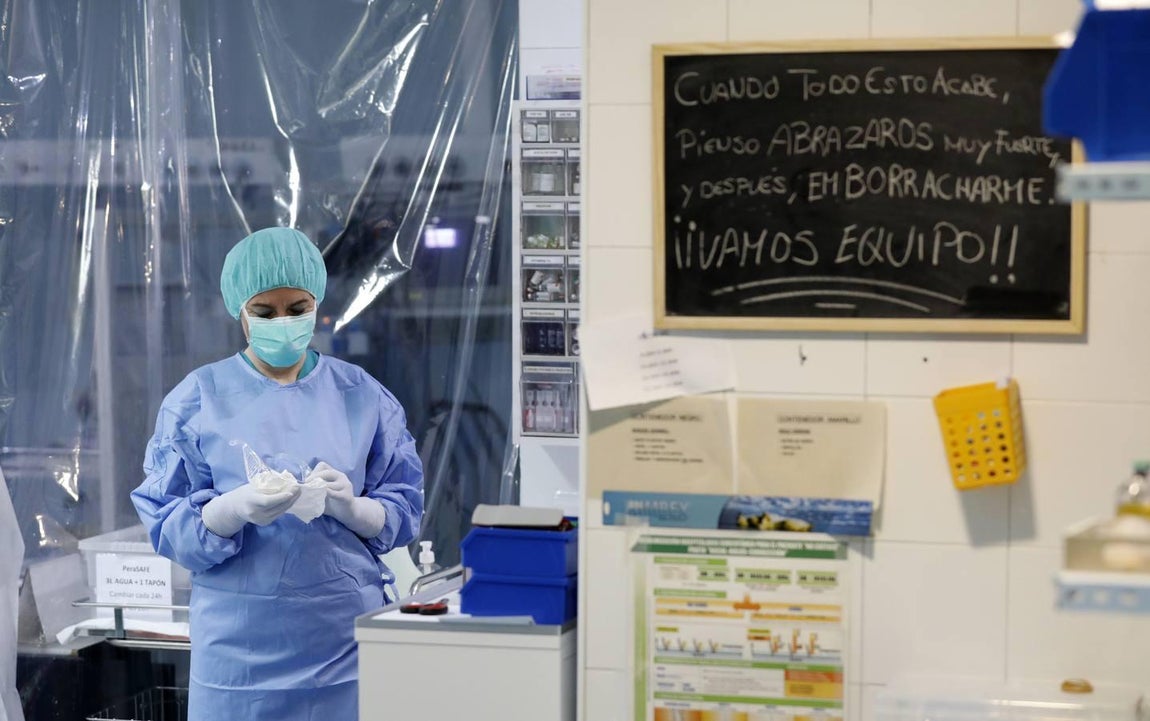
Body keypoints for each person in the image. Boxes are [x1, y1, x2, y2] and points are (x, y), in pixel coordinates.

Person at [131, 227, 424, 720]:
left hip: (341, 647)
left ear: (317, 304)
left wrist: (356, 509)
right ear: (240, 312)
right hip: (238, 659)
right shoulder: (198, 399)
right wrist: (228, 512)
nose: (282, 323)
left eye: (297, 308)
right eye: (264, 313)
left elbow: (403, 503)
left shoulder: (360, 394)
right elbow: (167, 524)